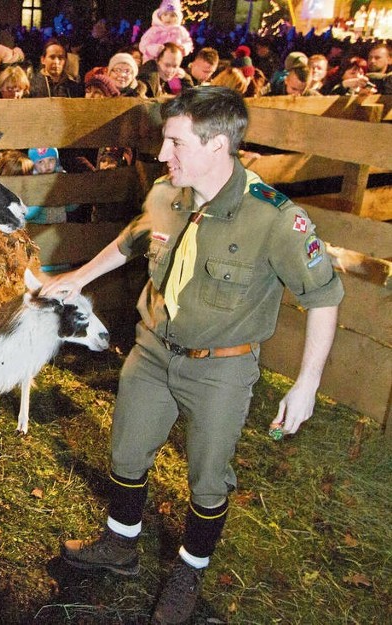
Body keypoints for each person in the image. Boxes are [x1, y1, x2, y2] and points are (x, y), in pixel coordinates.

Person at [42, 86, 343, 624]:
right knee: (127, 453)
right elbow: (135, 239)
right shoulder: (167, 193)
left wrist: (307, 384)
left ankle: (190, 568)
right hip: (153, 351)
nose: (163, 154)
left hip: (221, 369)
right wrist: (75, 278)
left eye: (176, 143)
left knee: (207, 477)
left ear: (217, 145)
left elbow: (323, 296)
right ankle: (121, 544)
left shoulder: (273, 219)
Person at [138, 0, 193, 65]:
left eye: (172, 15)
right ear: (160, 16)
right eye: (165, 14)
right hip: (153, 62)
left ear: (177, 18)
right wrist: (155, 49)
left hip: (172, 63)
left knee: (180, 74)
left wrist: (184, 48)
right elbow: (143, 45)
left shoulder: (180, 31)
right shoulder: (154, 30)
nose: (168, 18)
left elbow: (188, 42)